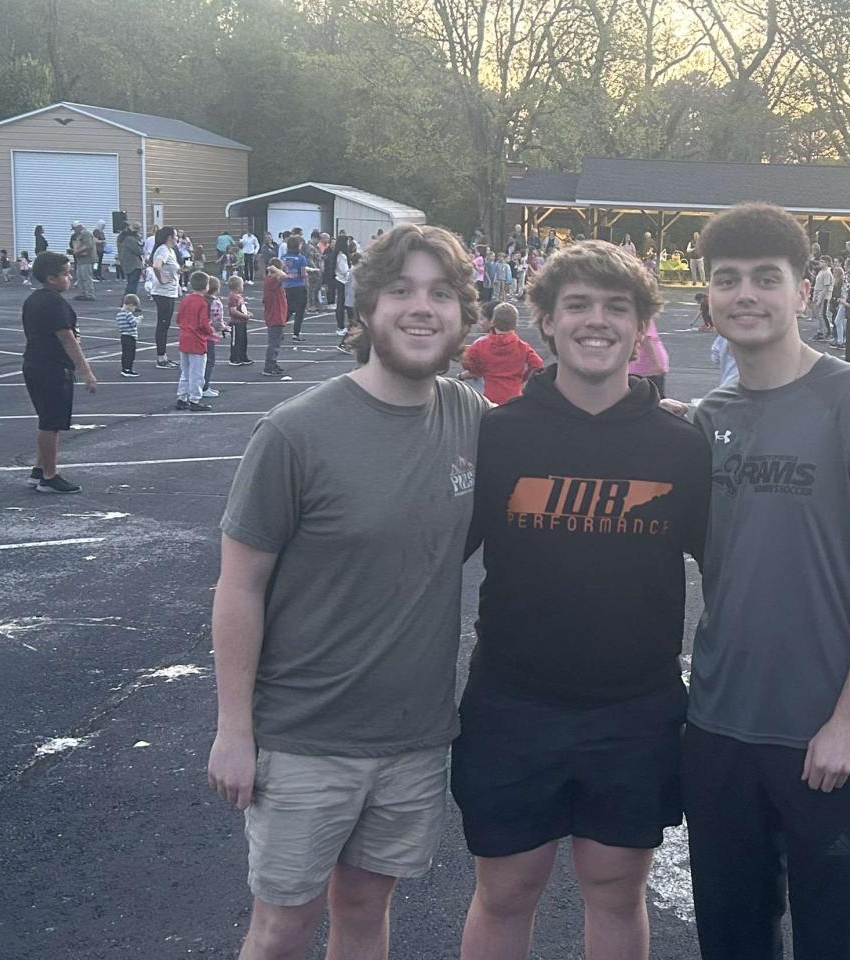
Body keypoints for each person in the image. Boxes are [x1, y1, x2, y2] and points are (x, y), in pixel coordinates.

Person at [207, 224, 484, 960]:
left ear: (462, 314)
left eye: (441, 293)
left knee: (364, 910)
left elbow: (563, 437)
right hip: (304, 738)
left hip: (414, 737)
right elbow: (239, 586)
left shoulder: (469, 417)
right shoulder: (294, 433)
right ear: (366, 309)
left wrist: (656, 418)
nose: (421, 307)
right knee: (282, 929)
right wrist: (234, 730)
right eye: (401, 291)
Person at [454, 239, 709, 960]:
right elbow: (426, 557)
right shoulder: (497, 436)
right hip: (512, 705)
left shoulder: (681, 446)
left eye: (616, 307)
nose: (596, 321)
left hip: (634, 710)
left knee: (615, 890)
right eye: (577, 305)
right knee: (506, 891)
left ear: (640, 326)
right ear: (547, 321)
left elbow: (732, 570)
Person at [684, 203, 850, 960]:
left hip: (824, 731)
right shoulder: (706, 420)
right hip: (720, 726)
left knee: (835, 940)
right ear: (708, 296)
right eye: (727, 279)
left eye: (766, 278)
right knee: (732, 938)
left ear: (803, 292)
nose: (745, 294)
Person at [20, 252, 99, 493]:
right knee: (51, 422)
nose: (70, 278)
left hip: (34, 363)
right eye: (66, 274)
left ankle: (39, 469)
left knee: (47, 419)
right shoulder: (54, 303)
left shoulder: (34, 299)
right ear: (51, 278)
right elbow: (67, 339)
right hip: (51, 367)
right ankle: (50, 476)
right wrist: (86, 371)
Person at [460, 301, 544, 404]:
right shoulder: (523, 347)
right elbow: (538, 365)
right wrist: (522, 378)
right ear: (515, 324)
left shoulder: (480, 345)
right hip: (513, 396)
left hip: (488, 396)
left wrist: (477, 370)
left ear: (493, 322)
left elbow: (468, 360)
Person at [174, 272, 214, 412]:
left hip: (184, 338)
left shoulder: (186, 299)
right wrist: (210, 331)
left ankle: (181, 397)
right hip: (197, 340)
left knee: (185, 372)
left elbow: (179, 318)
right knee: (197, 373)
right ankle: (195, 399)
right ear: (206, 286)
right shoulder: (202, 302)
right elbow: (203, 323)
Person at [151, 227, 182, 368]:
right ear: (169, 237)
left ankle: (163, 356)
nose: (177, 238)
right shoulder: (163, 249)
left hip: (170, 292)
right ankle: (161, 357)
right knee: (163, 325)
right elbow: (156, 266)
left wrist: (179, 271)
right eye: (175, 236)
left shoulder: (171, 251)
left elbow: (169, 268)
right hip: (163, 292)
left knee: (166, 324)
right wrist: (162, 279)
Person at [262, 257, 287, 377]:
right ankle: (269, 366)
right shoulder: (271, 280)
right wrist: (274, 269)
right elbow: (284, 276)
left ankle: (273, 362)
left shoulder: (272, 281)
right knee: (274, 343)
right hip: (275, 316)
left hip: (278, 316)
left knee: (277, 341)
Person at [282, 235, 310, 342]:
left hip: (287, 286)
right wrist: (307, 274)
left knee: (288, 309)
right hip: (299, 286)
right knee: (299, 311)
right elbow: (303, 274)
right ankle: (296, 333)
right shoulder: (301, 258)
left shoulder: (284, 257)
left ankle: (280, 327)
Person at [203, 275, 226, 399]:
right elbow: (217, 320)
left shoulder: (201, 300)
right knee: (209, 362)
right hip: (210, 335)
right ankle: (204, 386)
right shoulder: (216, 303)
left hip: (199, 335)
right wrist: (224, 327)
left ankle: (200, 386)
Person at [225, 275, 253, 366]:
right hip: (236, 323)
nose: (243, 287)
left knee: (243, 341)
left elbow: (241, 308)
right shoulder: (233, 297)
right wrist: (245, 316)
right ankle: (234, 358)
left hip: (242, 322)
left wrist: (247, 313)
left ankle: (243, 356)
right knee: (236, 341)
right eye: (242, 285)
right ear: (237, 287)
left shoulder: (239, 297)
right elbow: (233, 311)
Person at [115, 293, 143, 377]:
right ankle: (128, 369)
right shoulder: (128, 314)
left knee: (125, 353)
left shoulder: (119, 314)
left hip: (123, 336)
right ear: (131, 305)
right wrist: (138, 319)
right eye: (134, 307)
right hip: (130, 336)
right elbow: (134, 323)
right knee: (130, 354)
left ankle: (124, 368)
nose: (134, 310)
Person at [69, 222, 96, 301]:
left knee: (86, 277)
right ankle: (83, 293)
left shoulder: (86, 234)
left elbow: (88, 246)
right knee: (80, 277)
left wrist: (77, 251)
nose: (74, 231)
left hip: (87, 259)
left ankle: (90, 294)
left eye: (75, 229)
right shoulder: (79, 235)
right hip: (80, 259)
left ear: (79, 227)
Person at [118, 225, 145, 297]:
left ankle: (127, 300)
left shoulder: (123, 240)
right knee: (132, 286)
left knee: (130, 284)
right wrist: (140, 242)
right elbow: (139, 251)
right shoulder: (131, 240)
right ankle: (130, 301)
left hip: (127, 264)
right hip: (134, 265)